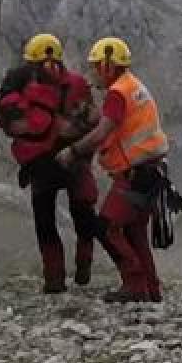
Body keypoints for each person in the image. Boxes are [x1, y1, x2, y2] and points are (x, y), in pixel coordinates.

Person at [0, 34, 98, 293]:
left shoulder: (19, 90)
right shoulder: (77, 85)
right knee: (82, 216)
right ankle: (80, 265)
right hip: (72, 160)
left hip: (42, 163)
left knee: (47, 222)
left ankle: (55, 279)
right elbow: (93, 120)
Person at [56, 36, 169, 302]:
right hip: (151, 171)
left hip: (133, 174)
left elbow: (104, 130)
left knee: (107, 226)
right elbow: (114, 120)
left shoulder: (118, 91)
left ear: (108, 64)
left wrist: (72, 152)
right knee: (134, 230)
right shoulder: (132, 86)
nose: (93, 71)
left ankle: (134, 285)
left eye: (96, 65)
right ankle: (151, 288)